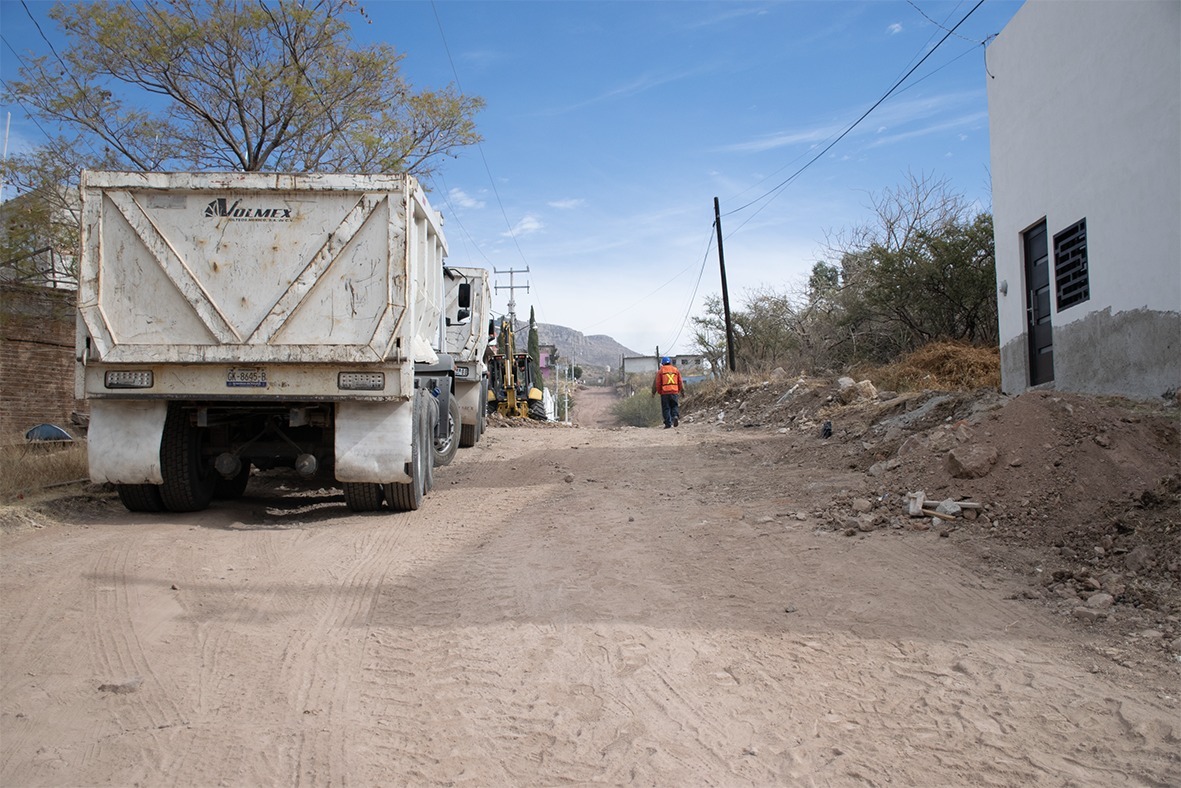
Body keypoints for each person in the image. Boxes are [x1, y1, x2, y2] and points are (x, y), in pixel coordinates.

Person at [651, 356, 684, 429]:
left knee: (666, 408)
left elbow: (657, 383)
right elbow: (680, 382)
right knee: (674, 406)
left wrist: (656, 392)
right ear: (670, 362)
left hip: (665, 392)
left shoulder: (660, 371)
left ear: (662, 363)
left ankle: (668, 424)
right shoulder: (676, 370)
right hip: (674, 391)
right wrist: (682, 391)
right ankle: (675, 416)